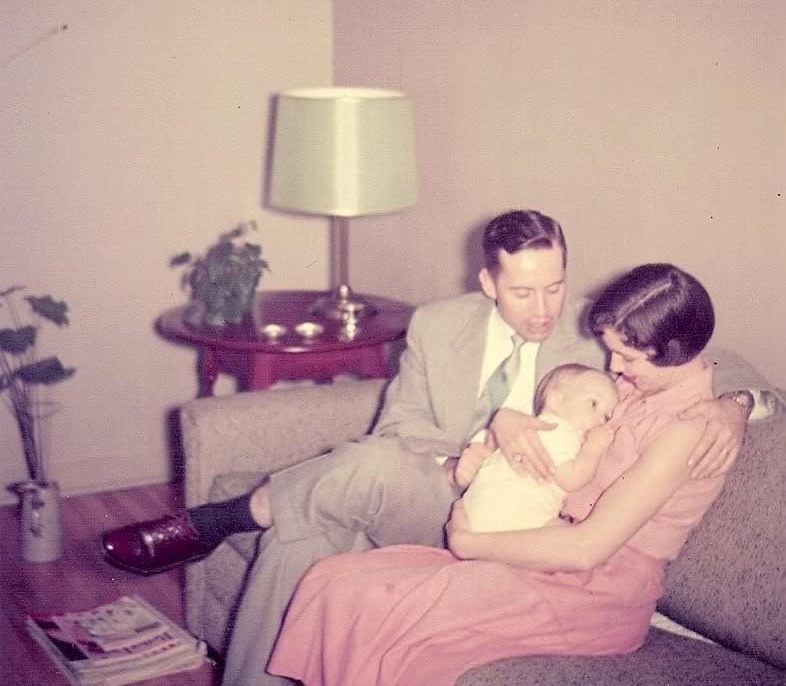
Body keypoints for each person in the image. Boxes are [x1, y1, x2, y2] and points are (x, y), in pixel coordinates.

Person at [100, 210, 767, 686]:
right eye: (523, 291)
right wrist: (480, 443)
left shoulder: (605, 333)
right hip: (442, 485)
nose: (543, 309)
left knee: (312, 522)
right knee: (362, 476)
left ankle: (225, 517)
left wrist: (736, 406)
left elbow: (712, 365)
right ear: (489, 283)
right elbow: (398, 433)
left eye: (555, 286)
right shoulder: (439, 325)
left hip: (530, 523)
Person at [265, 263, 738, 686]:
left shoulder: (688, 431)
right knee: (338, 580)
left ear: (674, 352)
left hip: (598, 588)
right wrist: (739, 402)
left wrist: (469, 544)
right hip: (539, 542)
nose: (614, 368)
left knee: (391, 614)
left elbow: (587, 549)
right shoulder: (639, 384)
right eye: (613, 353)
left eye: (627, 359)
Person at [460, 363, 619, 532]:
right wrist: (594, 447)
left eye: (606, 417)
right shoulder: (557, 428)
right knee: (577, 538)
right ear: (556, 401)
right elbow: (571, 479)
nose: (600, 420)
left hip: (480, 511)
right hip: (514, 512)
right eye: (594, 403)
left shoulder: (534, 431)